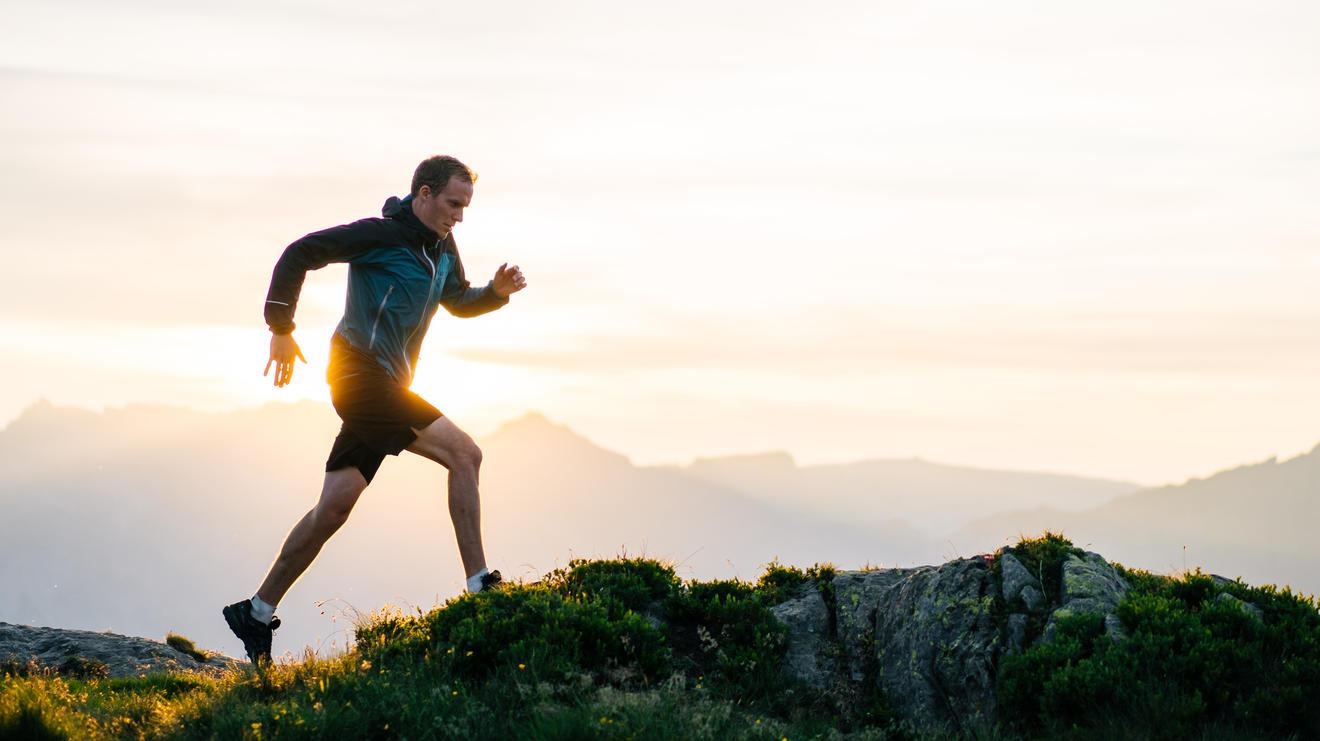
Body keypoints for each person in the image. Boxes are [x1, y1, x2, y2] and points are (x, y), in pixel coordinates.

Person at [222, 155, 527, 666]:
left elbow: (456, 299)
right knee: (465, 454)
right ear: (424, 194)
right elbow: (300, 252)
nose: (459, 216)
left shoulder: (442, 247)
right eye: (453, 204)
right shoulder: (379, 236)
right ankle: (481, 587)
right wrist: (281, 328)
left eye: (465, 208)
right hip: (359, 377)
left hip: (389, 383)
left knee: (334, 507)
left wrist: (494, 294)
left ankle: (255, 611)